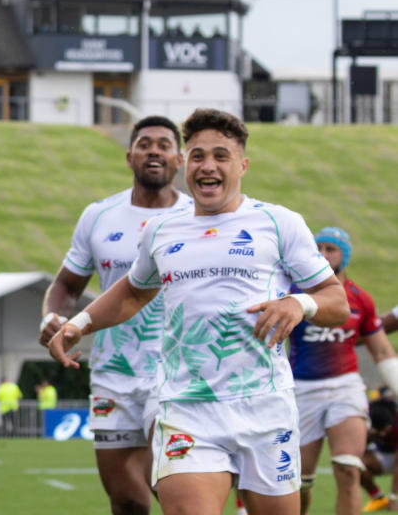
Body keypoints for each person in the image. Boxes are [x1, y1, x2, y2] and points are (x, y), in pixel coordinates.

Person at [49, 108, 349, 515]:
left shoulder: (279, 223)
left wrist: (299, 302)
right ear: (185, 164)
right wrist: (78, 324)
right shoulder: (161, 230)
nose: (208, 165)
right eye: (198, 155)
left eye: (221, 156)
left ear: (242, 165)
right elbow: (134, 292)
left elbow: (337, 302)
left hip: (265, 406)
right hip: (187, 407)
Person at [39, 115, 191, 515]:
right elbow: (66, 286)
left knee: (170, 484)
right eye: (144, 144)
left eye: (163, 144)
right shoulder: (99, 215)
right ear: (129, 156)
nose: (154, 150)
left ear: (179, 159)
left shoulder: (198, 216)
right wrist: (52, 318)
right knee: (124, 498)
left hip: (176, 370)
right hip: (113, 372)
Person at [288, 227, 398, 515]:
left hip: (345, 388)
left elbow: (383, 350)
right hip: (301, 391)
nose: (323, 254)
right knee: (299, 483)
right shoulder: (294, 294)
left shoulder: (360, 299)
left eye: (331, 249)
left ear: (344, 256)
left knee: (348, 467)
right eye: (318, 248)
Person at [361, 395, 398, 511]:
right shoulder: (368, 420)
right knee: (354, 464)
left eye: (384, 430)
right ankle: (379, 498)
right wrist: (369, 436)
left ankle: (390, 499)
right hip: (383, 452)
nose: (382, 434)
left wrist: (393, 498)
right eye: (379, 430)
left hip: (394, 454)